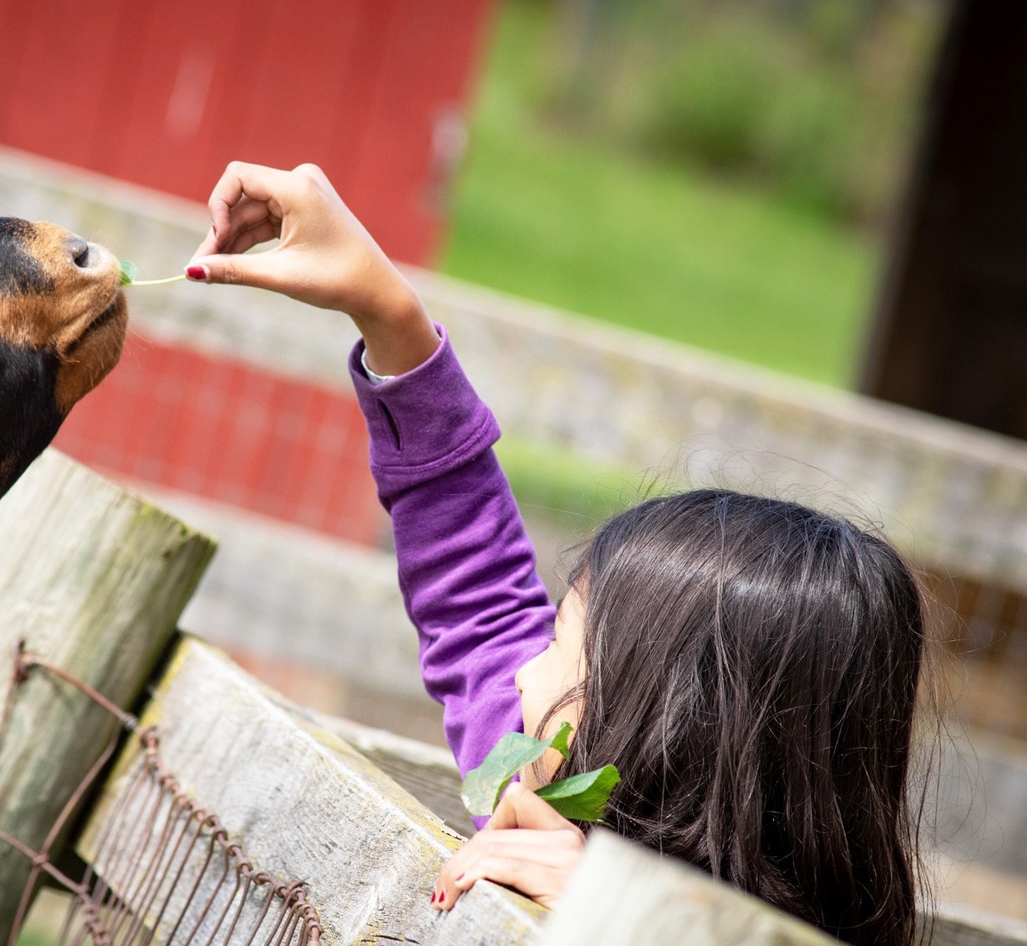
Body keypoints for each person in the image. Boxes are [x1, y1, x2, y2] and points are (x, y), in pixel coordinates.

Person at [183, 162, 928, 946]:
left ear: (663, 741)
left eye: (561, 654)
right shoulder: (550, 795)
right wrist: (388, 313)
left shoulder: (566, 825)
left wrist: (629, 926)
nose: (521, 668)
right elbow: (480, 604)